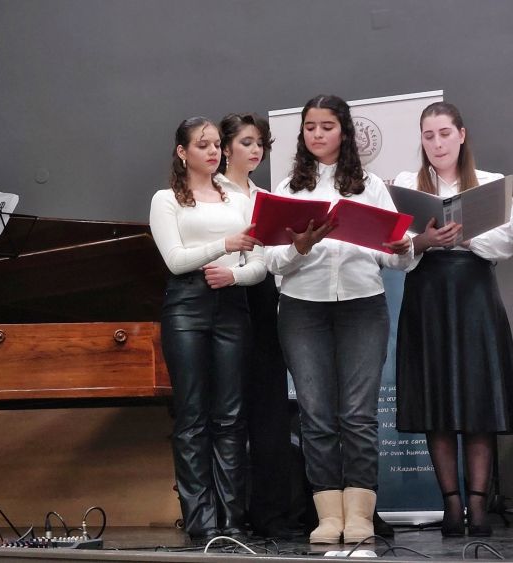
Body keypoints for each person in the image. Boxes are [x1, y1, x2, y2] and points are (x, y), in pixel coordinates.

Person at [265, 95, 413, 545]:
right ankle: (328, 516)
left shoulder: (370, 185)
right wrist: (299, 247)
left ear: (344, 132)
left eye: (326, 126)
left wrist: (403, 248)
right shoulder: (289, 187)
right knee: (315, 415)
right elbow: (272, 260)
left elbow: (395, 258)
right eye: (309, 126)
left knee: (358, 415)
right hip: (302, 307)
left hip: (361, 304)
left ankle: (360, 515)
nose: (317, 134)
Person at [394, 101, 511, 538]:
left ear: (461, 135)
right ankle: (451, 505)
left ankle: (478, 507)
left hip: (474, 294)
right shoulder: (408, 184)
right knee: (436, 398)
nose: (437, 143)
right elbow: (397, 250)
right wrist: (426, 240)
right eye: (429, 136)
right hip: (428, 296)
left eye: (444, 133)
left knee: (478, 399)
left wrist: (466, 236)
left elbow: (506, 241)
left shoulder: (491, 182)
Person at [150, 117, 265, 539]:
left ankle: (232, 519)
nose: (214, 151)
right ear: (182, 152)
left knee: (231, 416)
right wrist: (224, 245)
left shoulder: (238, 199)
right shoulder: (166, 199)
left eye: (217, 144)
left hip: (232, 305)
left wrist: (235, 274)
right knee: (192, 414)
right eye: (203, 145)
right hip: (186, 307)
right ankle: (201, 519)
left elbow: (260, 264)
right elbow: (176, 260)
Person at [215, 113, 295, 539]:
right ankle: (227, 513)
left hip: (263, 299)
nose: (256, 150)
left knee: (270, 411)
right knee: (227, 411)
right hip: (224, 298)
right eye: (246, 142)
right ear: (226, 147)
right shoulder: (211, 192)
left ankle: (272, 513)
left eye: (260, 143)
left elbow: (274, 259)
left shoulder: (267, 196)